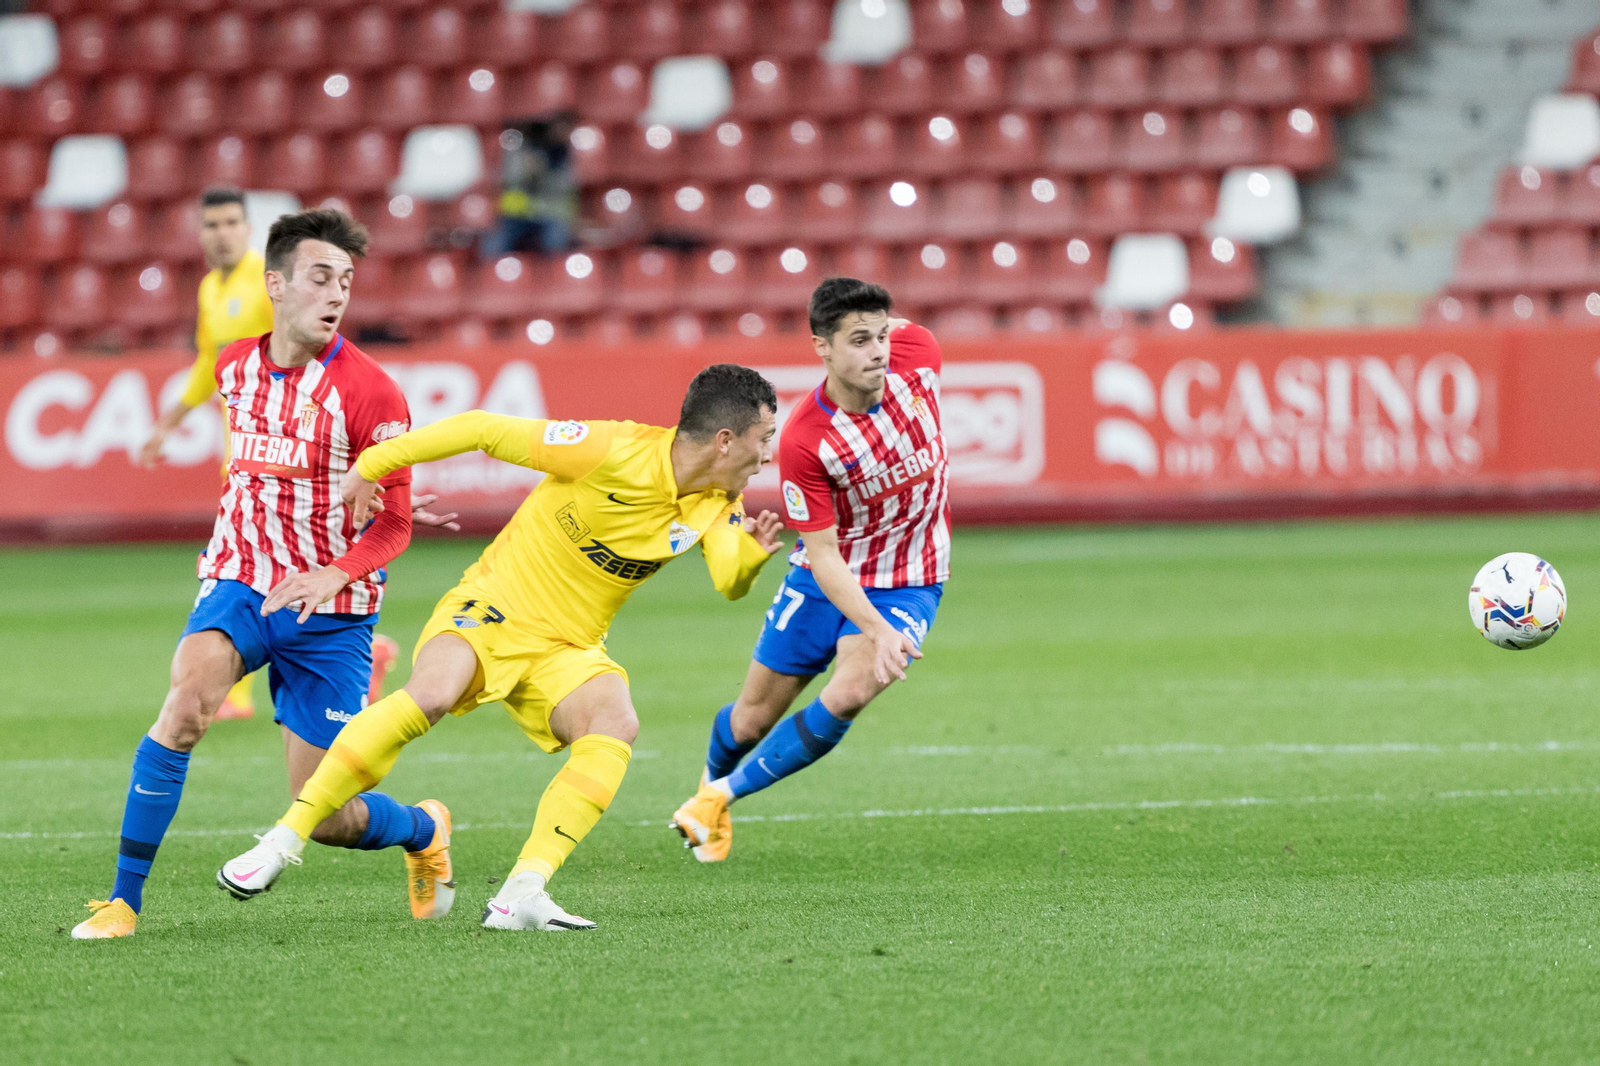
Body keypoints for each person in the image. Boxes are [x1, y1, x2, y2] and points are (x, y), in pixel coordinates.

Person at [216, 365, 785, 931]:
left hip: (567, 646)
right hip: (492, 607)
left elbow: (729, 580)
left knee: (615, 722)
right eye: (764, 439)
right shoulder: (609, 449)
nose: (767, 455)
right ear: (724, 439)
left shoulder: (720, 501)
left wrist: (752, 558)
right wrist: (372, 464)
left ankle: (522, 893)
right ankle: (282, 840)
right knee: (432, 694)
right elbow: (482, 429)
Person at [72, 210, 443, 939]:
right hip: (242, 580)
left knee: (328, 817)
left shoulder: (372, 392)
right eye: (319, 277)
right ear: (275, 284)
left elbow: (395, 525)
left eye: (345, 281)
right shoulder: (234, 366)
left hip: (331, 612)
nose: (335, 294)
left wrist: (336, 571)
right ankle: (122, 902)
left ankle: (424, 828)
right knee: (185, 709)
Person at [670, 278, 949, 862]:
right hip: (826, 578)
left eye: (881, 336)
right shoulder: (806, 441)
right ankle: (708, 788)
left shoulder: (918, 355)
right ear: (822, 347)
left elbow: (895, 332)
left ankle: (719, 797)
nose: (878, 352)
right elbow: (822, 554)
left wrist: (882, 628)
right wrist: (874, 627)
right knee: (750, 722)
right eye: (859, 341)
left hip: (910, 578)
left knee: (848, 694)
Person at [481, 112, 578, 258]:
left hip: (549, 213)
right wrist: (525, 171)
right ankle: (491, 270)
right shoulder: (516, 146)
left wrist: (543, 173)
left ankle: (555, 270)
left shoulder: (566, 155)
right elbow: (502, 180)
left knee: (557, 236)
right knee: (495, 239)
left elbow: (566, 188)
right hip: (514, 214)